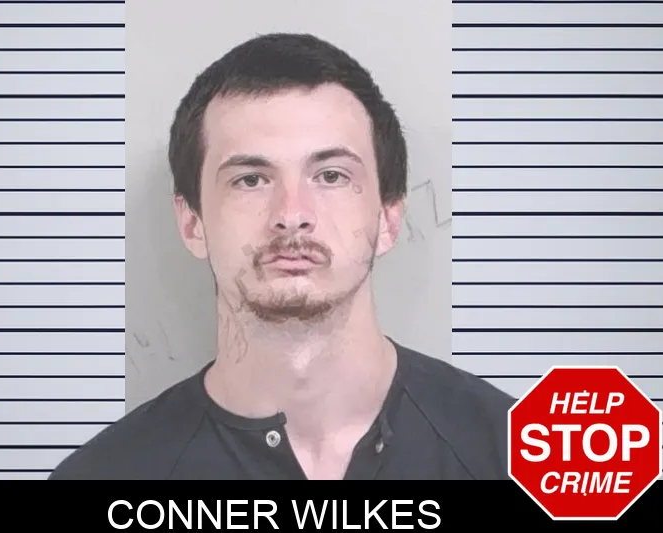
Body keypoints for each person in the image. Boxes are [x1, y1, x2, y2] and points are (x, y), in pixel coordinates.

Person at [49, 32, 515, 480]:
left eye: (331, 176)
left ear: (389, 218)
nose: (292, 215)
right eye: (250, 180)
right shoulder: (104, 476)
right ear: (192, 223)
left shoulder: (520, 456)